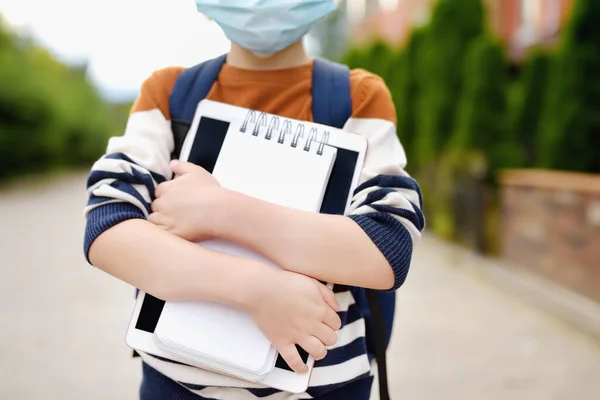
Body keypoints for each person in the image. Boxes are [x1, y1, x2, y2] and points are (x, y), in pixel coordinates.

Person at [83, 0, 425, 399]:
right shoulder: (168, 95)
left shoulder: (358, 98)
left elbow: (387, 249)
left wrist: (220, 211)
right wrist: (258, 289)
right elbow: (107, 229)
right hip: (176, 384)